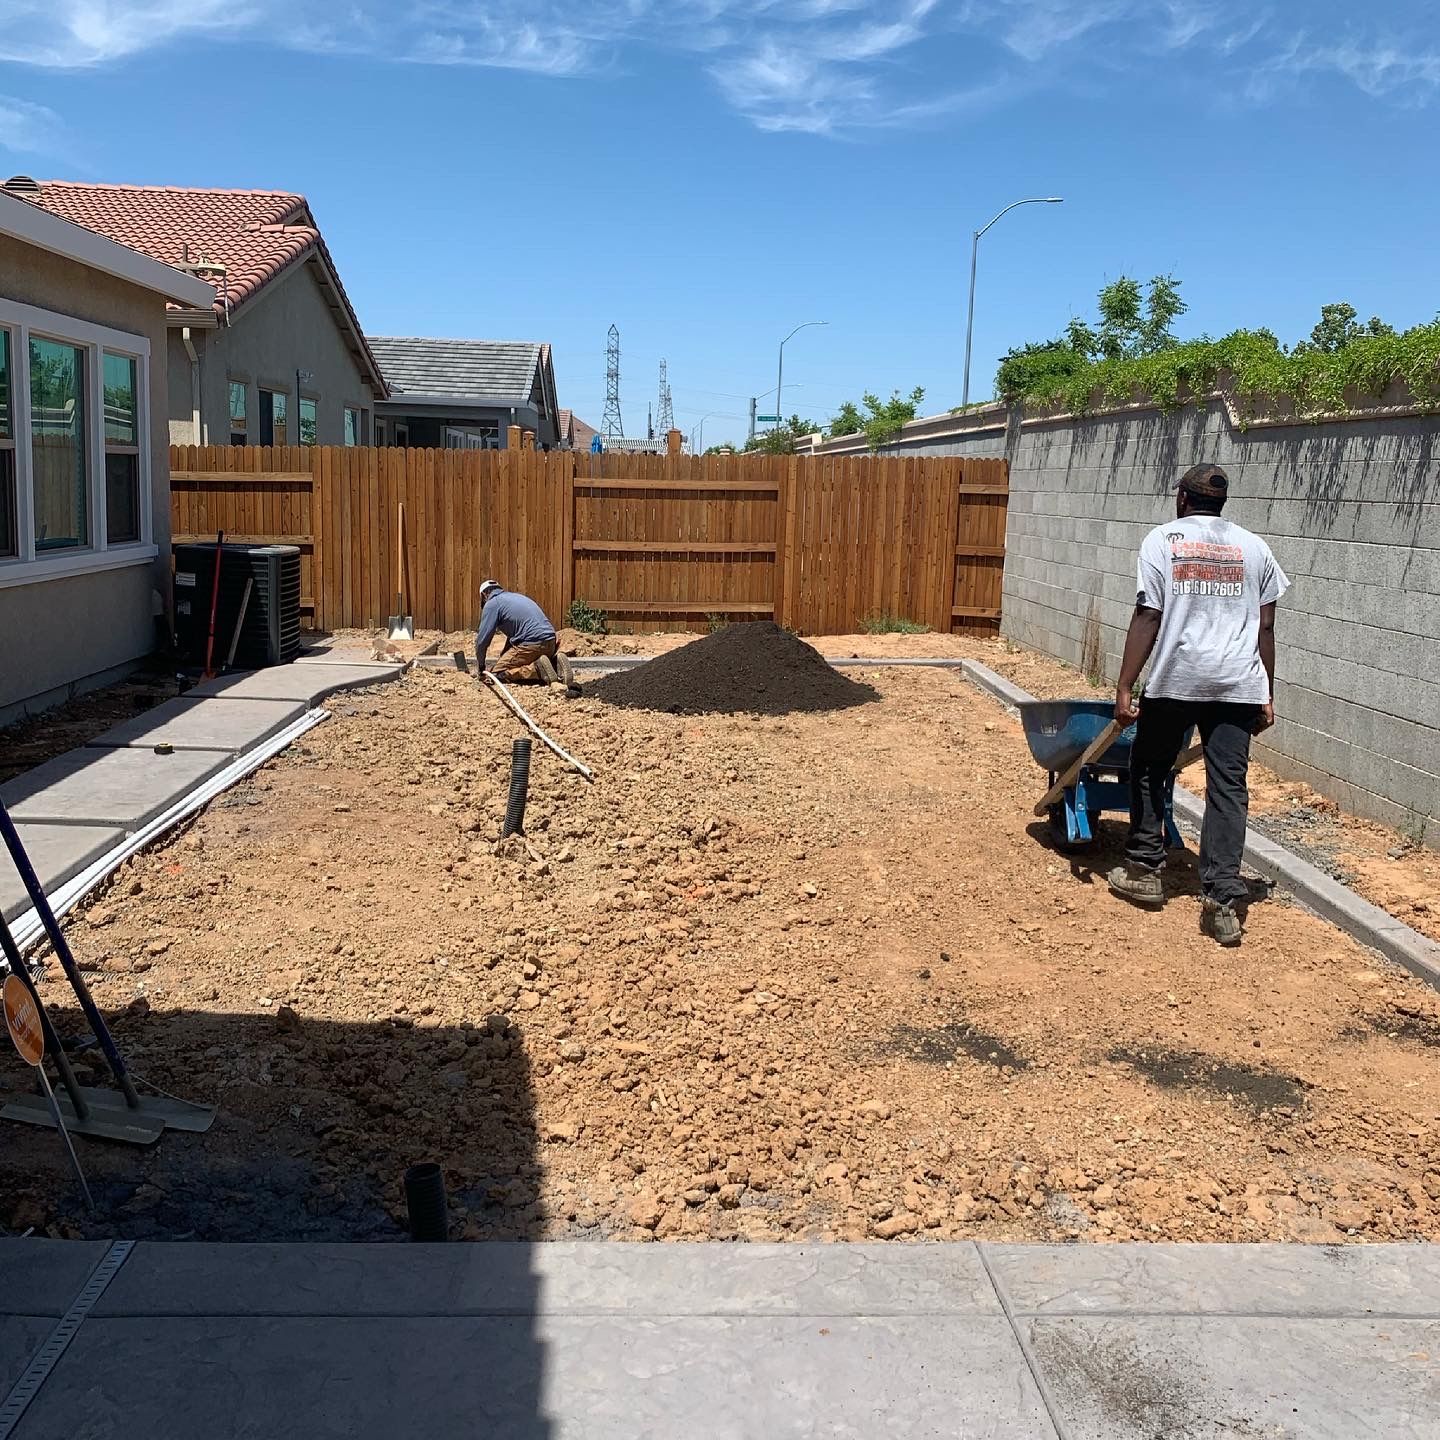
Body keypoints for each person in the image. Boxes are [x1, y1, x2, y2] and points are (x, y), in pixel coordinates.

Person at [1107, 464, 1289, 946]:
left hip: (1177, 678)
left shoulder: (1162, 541)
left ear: (1182, 499)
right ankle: (1222, 899)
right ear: (1220, 502)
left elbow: (1149, 613)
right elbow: (1265, 628)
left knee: (1149, 767)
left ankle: (1145, 868)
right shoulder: (1255, 547)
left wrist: (1125, 686)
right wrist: (1265, 692)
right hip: (1236, 682)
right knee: (1228, 786)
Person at [474, 580, 572, 687]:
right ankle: (555, 665)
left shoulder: (492, 603)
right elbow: (514, 635)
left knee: (497, 674)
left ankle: (536, 670)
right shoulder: (516, 597)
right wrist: (504, 657)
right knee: (509, 662)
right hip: (550, 642)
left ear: (484, 594)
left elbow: (482, 642)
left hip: (532, 645)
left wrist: (481, 667)